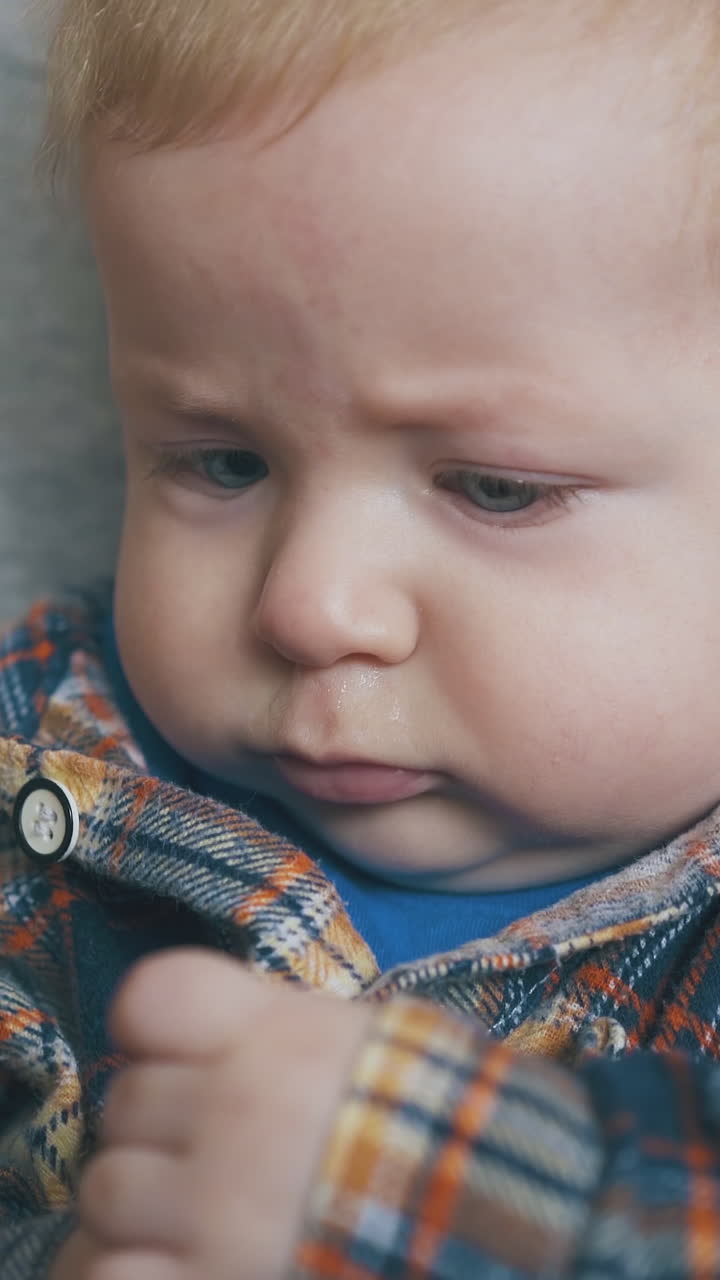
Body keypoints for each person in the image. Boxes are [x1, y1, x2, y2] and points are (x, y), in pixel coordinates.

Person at [4, 0, 720, 1275]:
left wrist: (498, 1208)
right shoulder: (37, 763)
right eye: (223, 461)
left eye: (495, 486)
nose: (309, 605)